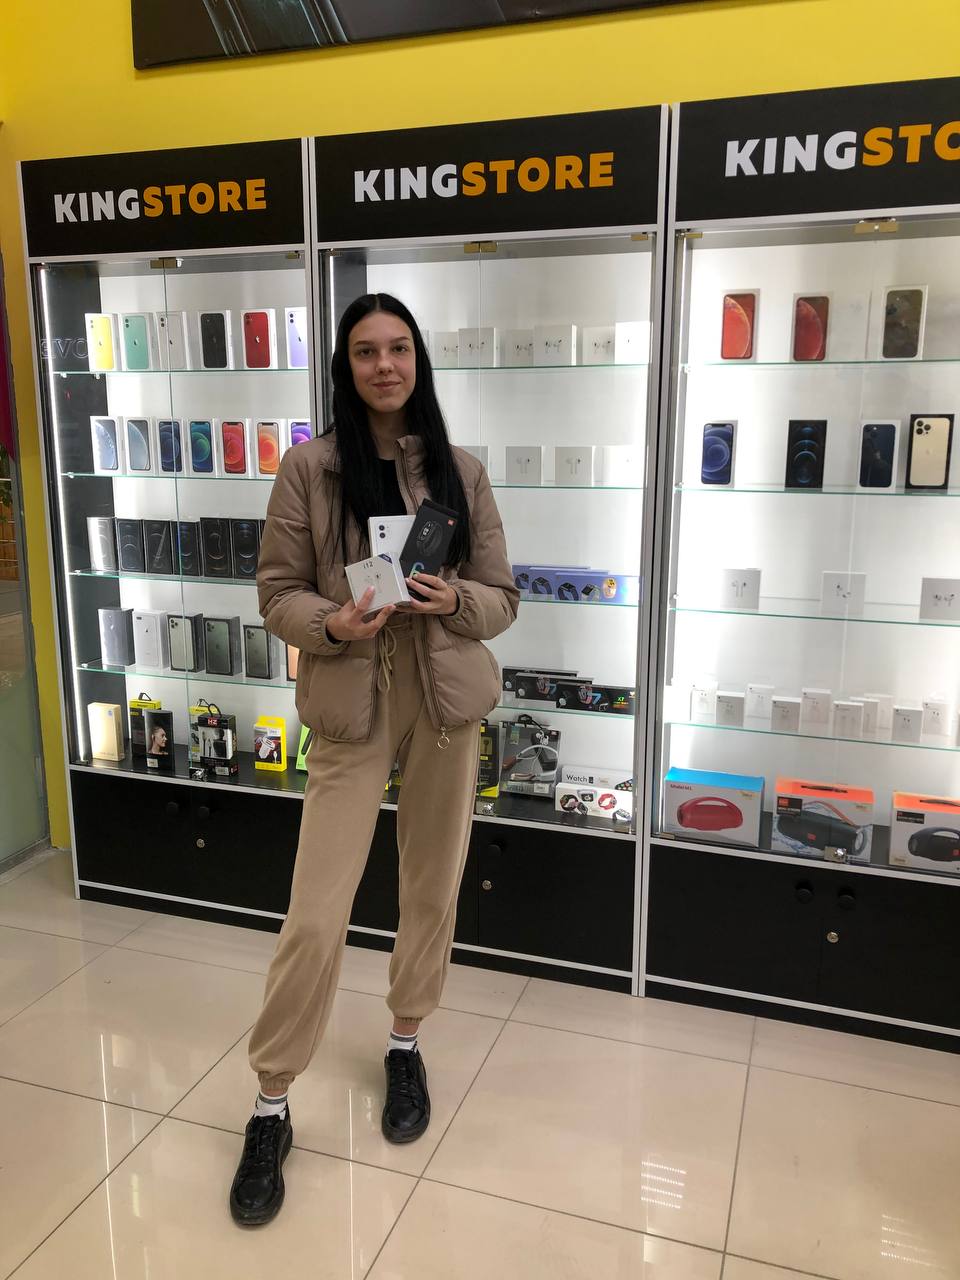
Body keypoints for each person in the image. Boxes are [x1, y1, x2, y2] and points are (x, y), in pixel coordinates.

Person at [229, 292, 519, 1227]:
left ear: (417, 360)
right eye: (365, 351)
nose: (384, 365)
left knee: (431, 890)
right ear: (345, 366)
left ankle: (404, 1043)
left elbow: (503, 596)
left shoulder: (461, 472)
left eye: (398, 349)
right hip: (352, 705)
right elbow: (276, 593)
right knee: (316, 914)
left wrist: (453, 603)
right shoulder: (308, 470)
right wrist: (334, 622)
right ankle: (271, 1101)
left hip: (444, 706)